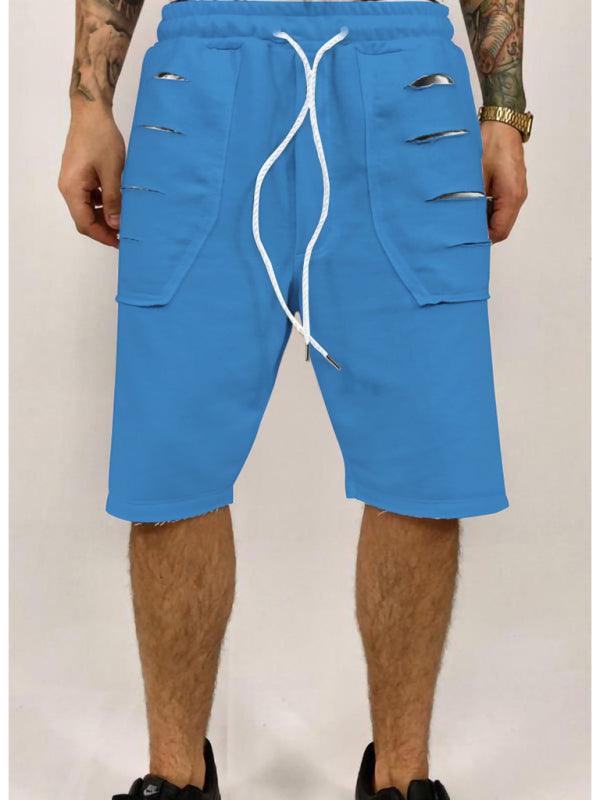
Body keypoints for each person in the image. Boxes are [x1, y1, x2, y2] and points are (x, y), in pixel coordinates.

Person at [58, 1, 531, 798]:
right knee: (168, 458)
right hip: (204, 78)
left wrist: (505, 108)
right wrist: (87, 104)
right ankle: (174, 779)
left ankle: (402, 781)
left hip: (402, 81)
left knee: (424, 460)